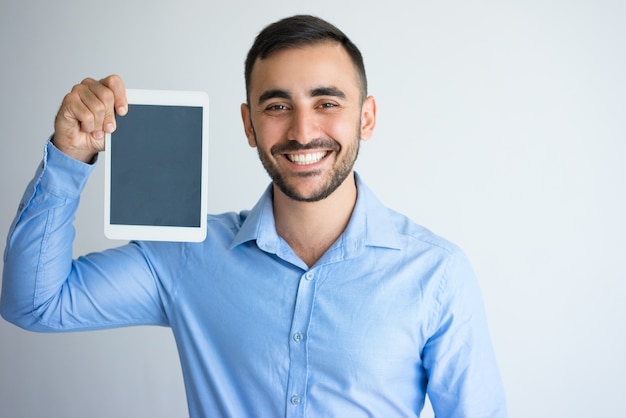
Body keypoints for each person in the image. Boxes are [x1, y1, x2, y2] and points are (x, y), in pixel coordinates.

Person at [0, 14, 507, 418]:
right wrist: (69, 157)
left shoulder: (437, 274)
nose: (303, 131)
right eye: (277, 107)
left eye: (327, 101)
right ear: (248, 124)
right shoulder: (188, 255)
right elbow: (35, 304)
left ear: (366, 117)